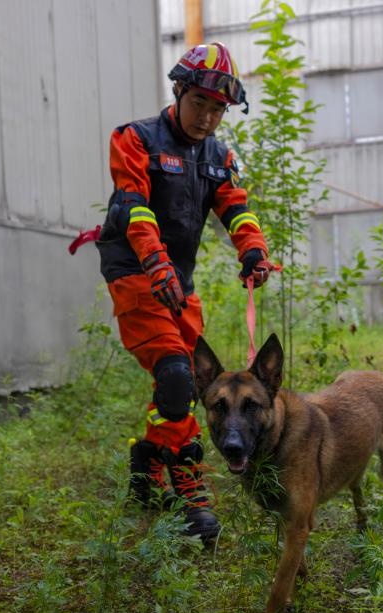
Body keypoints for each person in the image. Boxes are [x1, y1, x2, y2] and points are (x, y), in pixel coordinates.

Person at [72, 42, 278, 545]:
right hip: (136, 271)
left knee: (178, 386)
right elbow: (135, 207)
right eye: (199, 104)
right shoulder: (134, 139)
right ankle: (191, 498)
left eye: (217, 109)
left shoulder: (220, 156)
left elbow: (237, 210)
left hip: (177, 281)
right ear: (179, 90)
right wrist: (156, 264)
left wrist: (253, 250)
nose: (207, 117)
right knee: (178, 377)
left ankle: (145, 469)